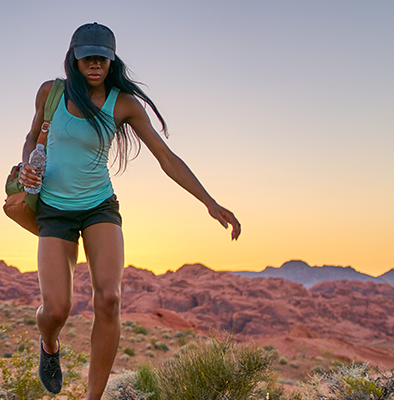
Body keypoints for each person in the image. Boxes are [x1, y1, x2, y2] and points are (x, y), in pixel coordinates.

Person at [18, 22, 241, 399]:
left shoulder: (122, 104)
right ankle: (50, 346)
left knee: (109, 299)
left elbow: (166, 158)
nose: (94, 63)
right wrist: (26, 166)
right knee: (56, 310)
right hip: (54, 209)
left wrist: (209, 201)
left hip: (99, 207)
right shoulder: (51, 92)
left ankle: (92, 398)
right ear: (74, 56)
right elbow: (31, 137)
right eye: (87, 55)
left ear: (111, 60)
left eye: (102, 57)